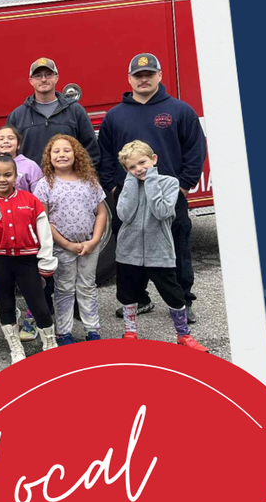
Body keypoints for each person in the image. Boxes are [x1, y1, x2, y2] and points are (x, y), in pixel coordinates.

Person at [98, 53, 207, 323]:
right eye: (138, 75)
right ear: (129, 79)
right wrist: (113, 188)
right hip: (130, 200)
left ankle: (182, 301)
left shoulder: (180, 110)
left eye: (149, 74)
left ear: (159, 75)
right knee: (130, 254)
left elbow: (195, 149)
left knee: (177, 250)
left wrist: (184, 187)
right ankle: (138, 300)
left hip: (168, 198)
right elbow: (105, 156)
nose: (143, 79)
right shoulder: (115, 116)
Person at [114, 141, 208, 352]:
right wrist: (130, 183)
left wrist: (151, 181)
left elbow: (162, 212)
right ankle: (130, 332)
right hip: (128, 251)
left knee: (173, 293)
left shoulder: (170, 183)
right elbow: (124, 215)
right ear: (126, 170)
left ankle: (183, 335)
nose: (139, 169)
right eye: (132, 167)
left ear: (153, 159)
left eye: (142, 163)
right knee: (127, 293)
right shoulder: (128, 185)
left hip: (159, 251)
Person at [0, 153, 58, 364]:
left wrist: (46, 260)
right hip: (0, 262)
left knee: (39, 304)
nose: (2, 179)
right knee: (6, 305)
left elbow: (44, 233)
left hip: (27, 261)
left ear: (16, 176)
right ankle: (15, 348)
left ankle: (50, 344)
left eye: (7, 175)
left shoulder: (31, 201)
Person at [33, 135, 107, 344]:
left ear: (76, 154)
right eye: (56, 151)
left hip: (89, 246)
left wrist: (94, 241)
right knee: (64, 288)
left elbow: (101, 213)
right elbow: (43, 219)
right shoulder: (45, 184)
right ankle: (64, 332)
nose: (62, 155)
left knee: (87, 286)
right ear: (49, 157)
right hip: (62, 247)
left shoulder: (89, 181)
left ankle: (93, 330)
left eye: (67, 150)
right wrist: (66, 244)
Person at [5, 57, 100, 167]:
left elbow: (91, 150)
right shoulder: (17, 116)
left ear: (56, 78)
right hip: (32, 178)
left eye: (48, 75)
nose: (43, 79)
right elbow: (8, 155)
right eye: (38, 76)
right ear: (31, 81)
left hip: (69, 177)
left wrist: (85, 175)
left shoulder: (75, 111)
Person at [0, 124, 43, 193]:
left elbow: (39, 193)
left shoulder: (31, 166)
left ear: (18, 144)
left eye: (10, 138)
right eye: (1, 139)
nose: (6, 141)